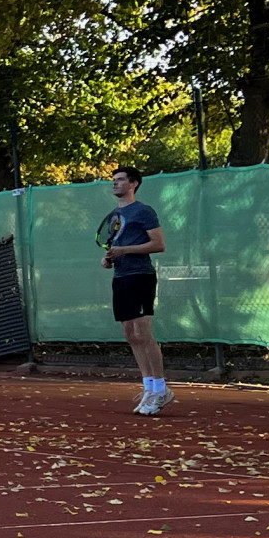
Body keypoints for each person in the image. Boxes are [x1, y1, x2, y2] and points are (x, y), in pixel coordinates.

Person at [102, 164, 170, 414]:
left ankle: (161, 389)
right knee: (130, 334)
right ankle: (149, 386)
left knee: (143, 332)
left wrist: (125, 251)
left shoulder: (144, 211)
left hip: (141, 276)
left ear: (133, 184)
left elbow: (158, 244)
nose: (115, 183)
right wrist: (108, 258)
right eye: (113, 180)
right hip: (121, 277)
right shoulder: (113, 216)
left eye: (120, 180)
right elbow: (113, 245)